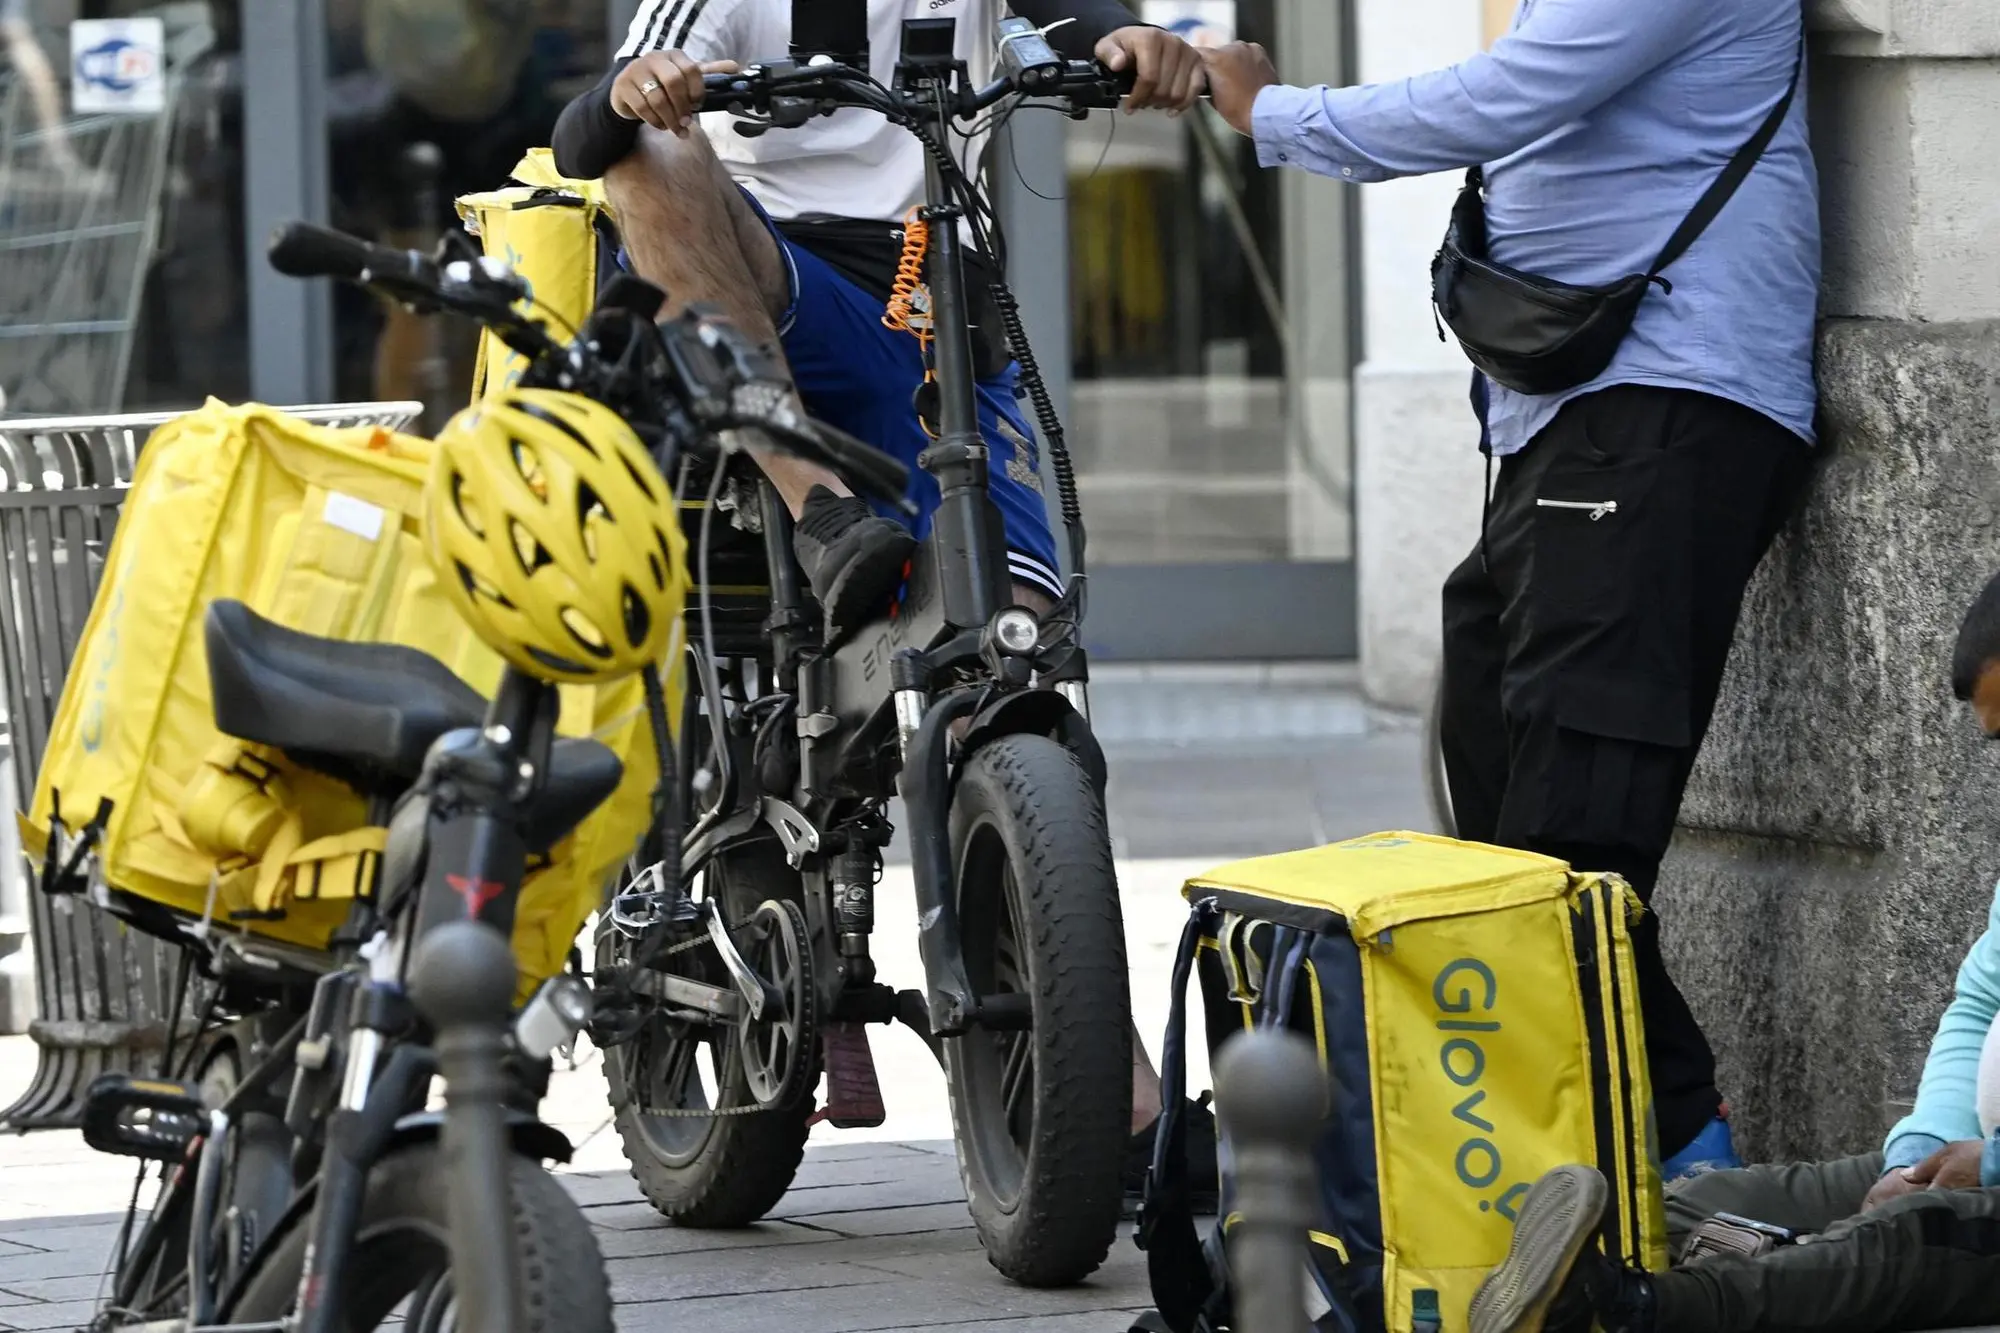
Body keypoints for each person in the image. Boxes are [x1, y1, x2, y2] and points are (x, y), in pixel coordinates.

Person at [550, 0, 1216, 1196]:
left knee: (1013, 654)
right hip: (763, 274)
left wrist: (1140, 46)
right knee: (646, 160)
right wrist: (636, 90)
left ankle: (1102, 1084)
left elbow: (1078, 17)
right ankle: (813, 502)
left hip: (928, 291)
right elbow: (581, 133)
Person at [1199, 0, 1819, 1178]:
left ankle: (1674, 1161)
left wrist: (1271, 110)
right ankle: (1632, 1141)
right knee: (1504, 809)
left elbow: (1502, 99)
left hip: (1662, 403)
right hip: (1578, 416)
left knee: (1569, 830)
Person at [1463, 568, 2000, 1333]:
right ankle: (1496, 1270)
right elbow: (1980, 1000)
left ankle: (1628, 1309)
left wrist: (1984, 1164)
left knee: (1896, 1242)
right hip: (1972, 1153)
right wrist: (1917, 1149)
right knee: (1686, 1204)